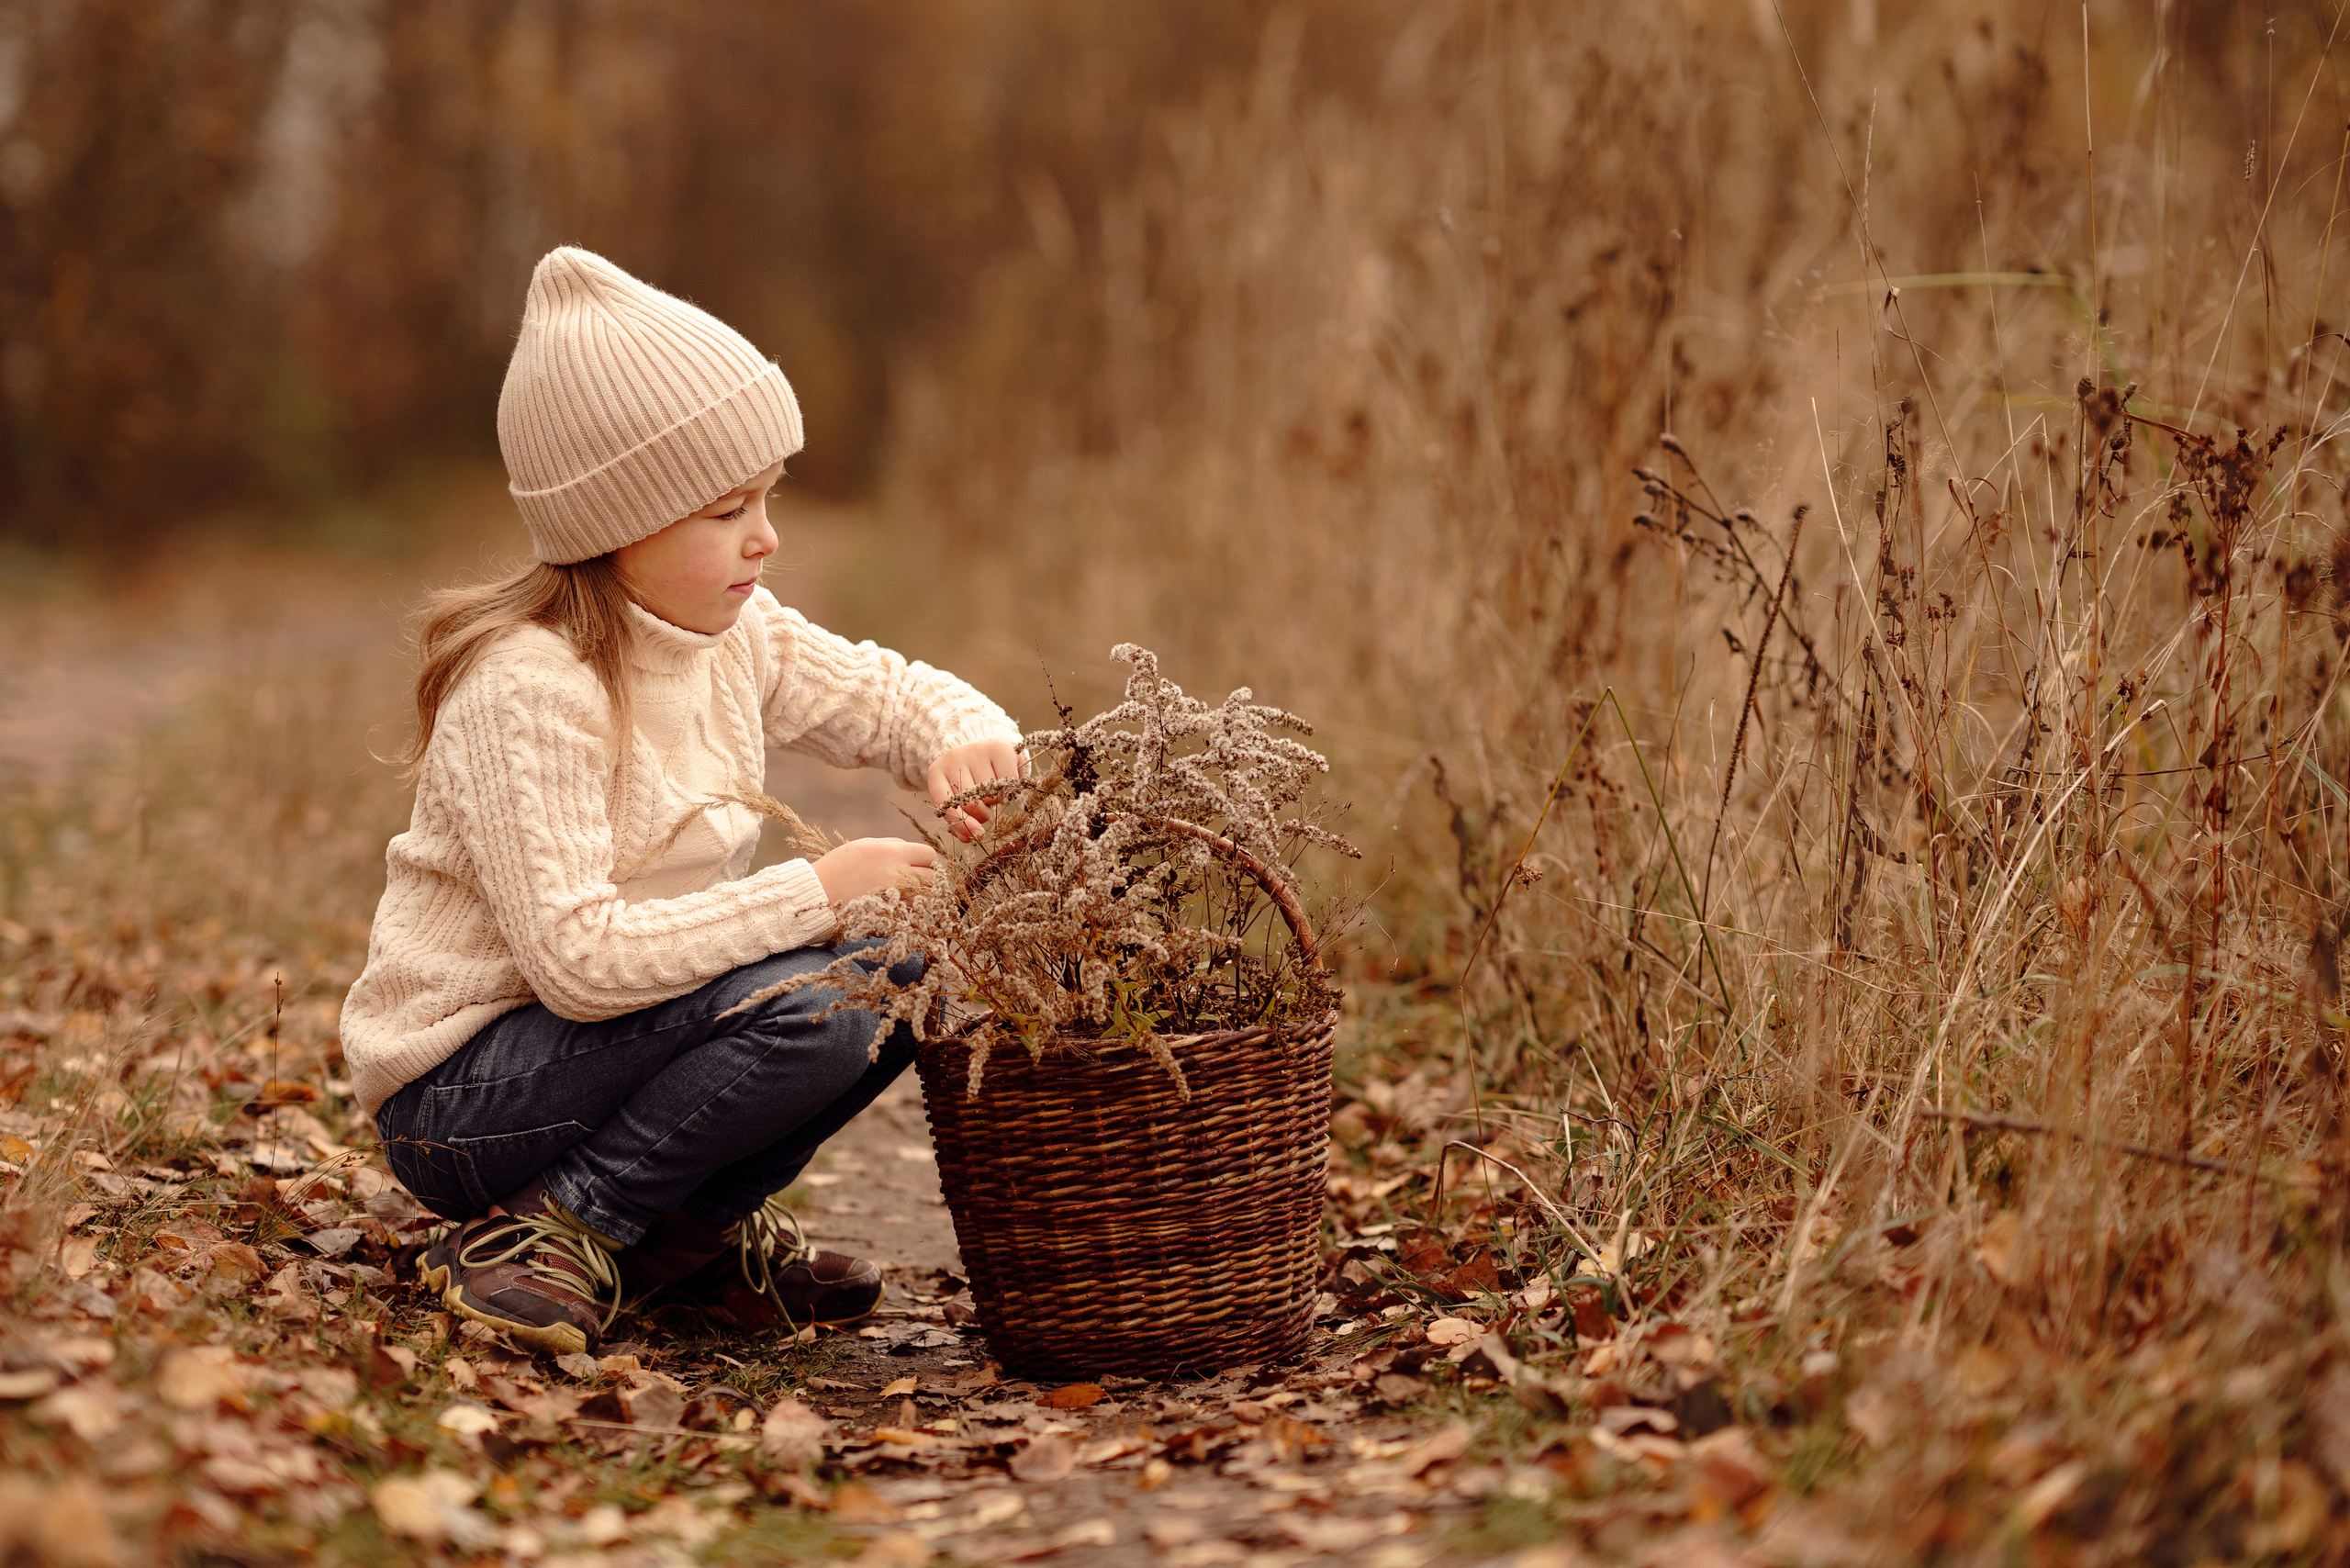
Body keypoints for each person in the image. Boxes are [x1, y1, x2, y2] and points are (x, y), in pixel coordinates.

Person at [341, 246, 1022, 1356]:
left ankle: (686, 1242)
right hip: (464, 1096)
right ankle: (559, 1225)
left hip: (604, 1047)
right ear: (616, 524)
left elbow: (884, 695)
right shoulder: (532, 686)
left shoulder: (731, 632)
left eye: (768, 496)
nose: (766, 535)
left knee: (907, 969)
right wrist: (818, 891)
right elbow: (577, 961)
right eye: (725, 509)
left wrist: (963, 735)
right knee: (823, 996)